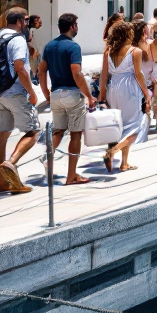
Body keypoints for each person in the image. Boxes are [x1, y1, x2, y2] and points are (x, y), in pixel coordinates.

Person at [39, 13, 95, 185]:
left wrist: (46, 94)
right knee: (76, 135)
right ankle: (71, 175)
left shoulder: (49, 46)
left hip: (55, 93)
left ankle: (48, 159)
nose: (77, 27)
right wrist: (89, 96)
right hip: (72, 94)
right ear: (72, 27)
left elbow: (41, 71)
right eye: (76, 24)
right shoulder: (73, 47)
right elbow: (76, 72)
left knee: (58, 131)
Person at [0, 8, 41, 194]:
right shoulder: (17, 40)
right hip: (15, 92)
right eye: (26, 20)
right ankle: (10, 163)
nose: (27, 23)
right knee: (33, 131)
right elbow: (20, 68)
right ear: (19, 21)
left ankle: (2, 183)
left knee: (1, 137)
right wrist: (31, 92)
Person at [98, 22, 151, 172]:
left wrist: (102, 95)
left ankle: (124, 163)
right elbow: (138, 74)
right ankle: (113, 151)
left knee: (120, 125)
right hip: (129, 89)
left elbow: (103, 75)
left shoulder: (108, 52)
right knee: (136, 126)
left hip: (113, 89)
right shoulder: (135, 51)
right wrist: (146, 93)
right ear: (128, 34)